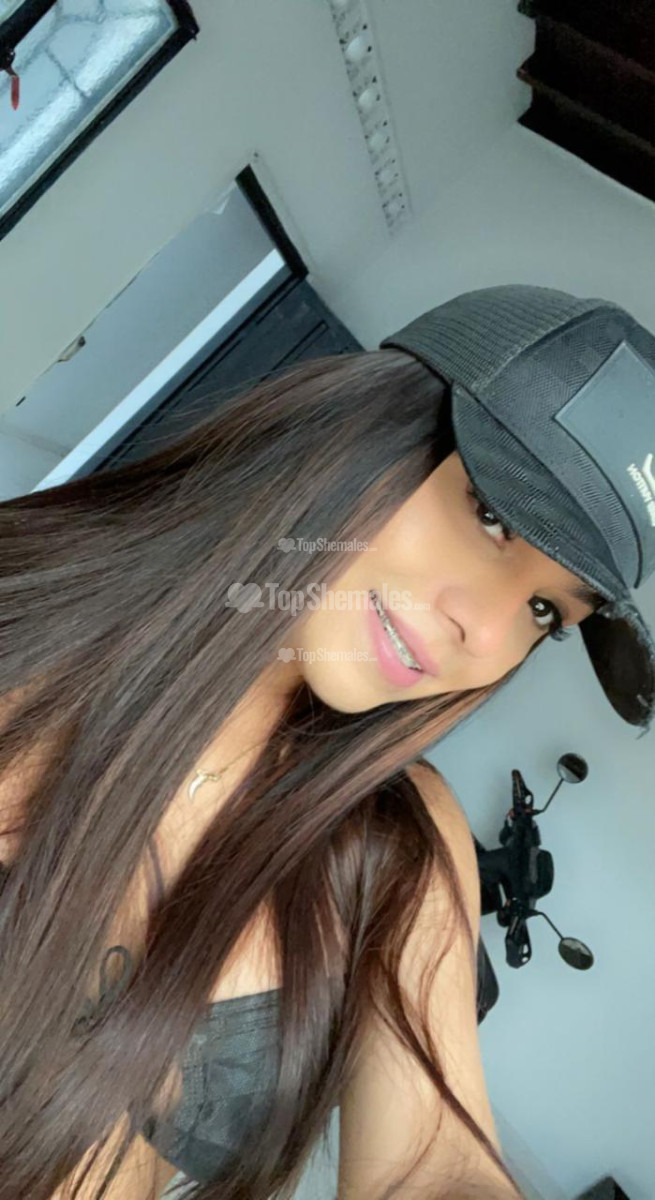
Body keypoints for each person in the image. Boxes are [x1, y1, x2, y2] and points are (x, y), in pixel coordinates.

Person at [0, 283, 652, 1200]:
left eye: (544, 612)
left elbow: (434, 1165)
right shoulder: (21, 603)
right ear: (361, 431)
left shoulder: (399, 844)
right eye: (490, 515)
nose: (484, 631)